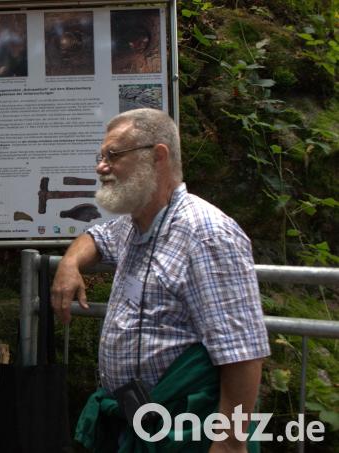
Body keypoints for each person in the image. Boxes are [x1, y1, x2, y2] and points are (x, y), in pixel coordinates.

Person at [51, 108, 270, 452]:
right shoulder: (134, 223)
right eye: (101, 156)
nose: (101, 167)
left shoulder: (206, 233)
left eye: (114, 155)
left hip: (187, 429)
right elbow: (97, 238)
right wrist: (69, 263)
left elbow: (242, 351)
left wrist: (229, 443)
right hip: (140, 424)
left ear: (157, 156)